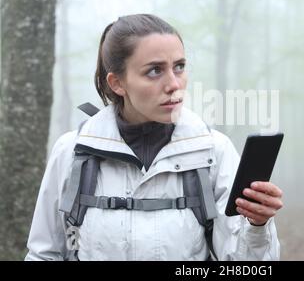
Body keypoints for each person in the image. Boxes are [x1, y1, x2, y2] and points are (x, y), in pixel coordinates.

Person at [25, 14, 283, 261]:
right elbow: (44, 254)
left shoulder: (213, 152)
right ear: (117, 83)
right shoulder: (72, 151)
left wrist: (257, 225)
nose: (174, 84)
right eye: (154, 71)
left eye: (179, 67)